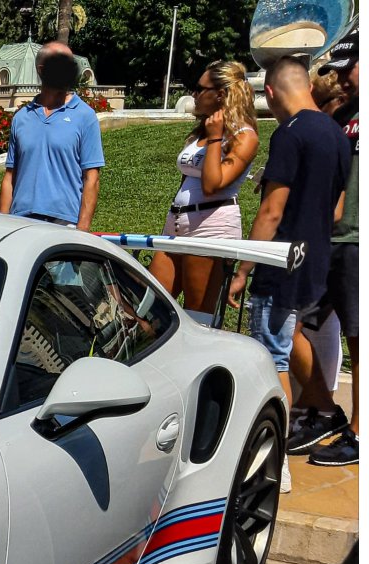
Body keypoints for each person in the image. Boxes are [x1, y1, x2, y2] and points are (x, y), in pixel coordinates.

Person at [228, 55, 351, 491]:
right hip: (315, 258)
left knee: (271, 357)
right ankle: (323, 407)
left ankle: (273, 462)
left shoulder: (290, 133)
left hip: (280, 262)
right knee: (288, 338)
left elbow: (270, 210)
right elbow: (335, 210)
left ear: (272, 93)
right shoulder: (338, 134)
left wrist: (244, 267)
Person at [292, 32, 359, 465]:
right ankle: (327, 410)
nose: (343, 77)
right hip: (324, 239)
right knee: (286, 323)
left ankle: (359, 433)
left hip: (356, 241)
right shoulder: (342, 113)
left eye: (350, 66)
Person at [148, 61, 260, 313]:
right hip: (177, 225)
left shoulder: (244, 136)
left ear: (220, 94)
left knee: (197, 315)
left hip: (212, 227)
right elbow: (187, 179)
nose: (194, 95)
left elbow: (212, 185)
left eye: (200, 89)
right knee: (149, 308)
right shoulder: (201, 131)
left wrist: (216, 137)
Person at [0, 41, 105, 229]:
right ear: (41, 70)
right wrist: (1, 226)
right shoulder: (22, 118)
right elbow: (10, 177)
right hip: (21, 223)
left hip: (64, 225)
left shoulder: (85, 116)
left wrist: (82, 232)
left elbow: (92, 178)